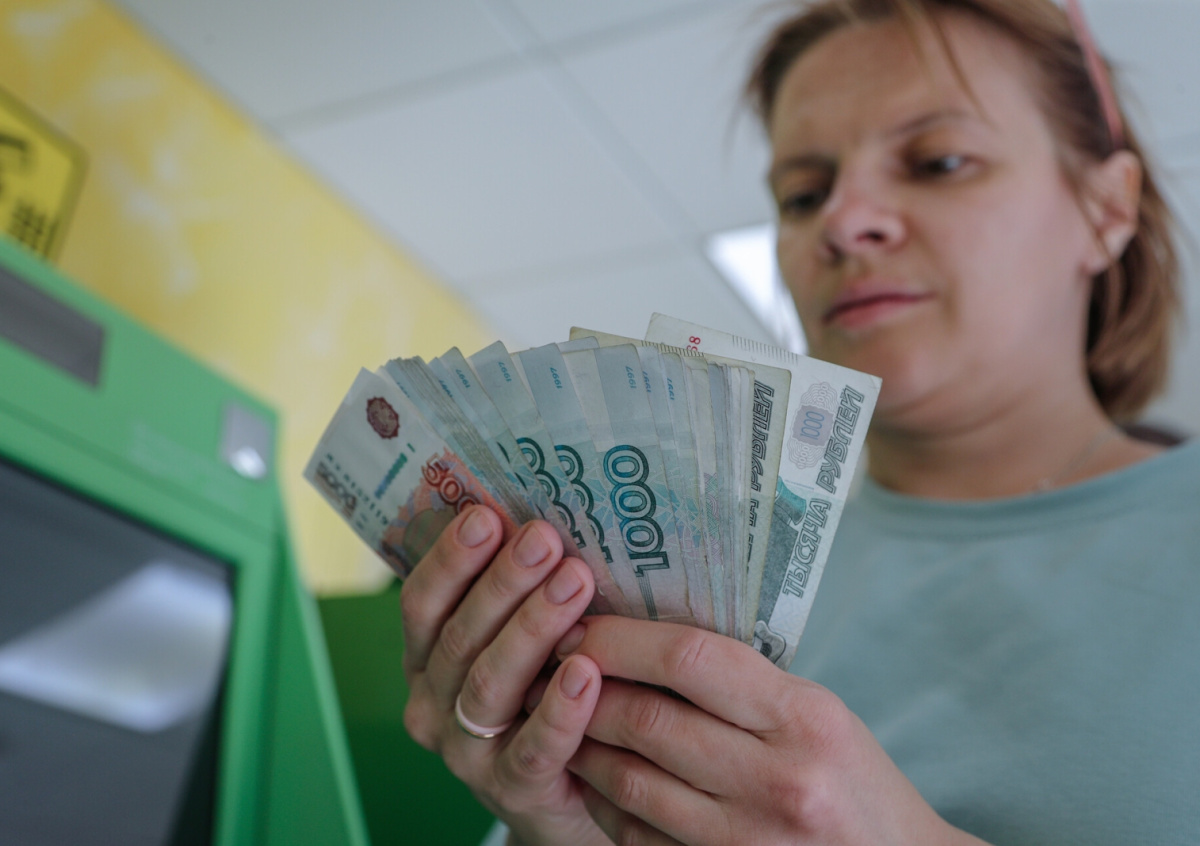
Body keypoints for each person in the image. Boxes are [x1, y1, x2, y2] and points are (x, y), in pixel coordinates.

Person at [397, 1, 1200, 843]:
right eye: (803, 195)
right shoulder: (677, 576)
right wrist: (563, 823)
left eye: (939, 162)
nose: (842, 223)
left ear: (1107, 209)